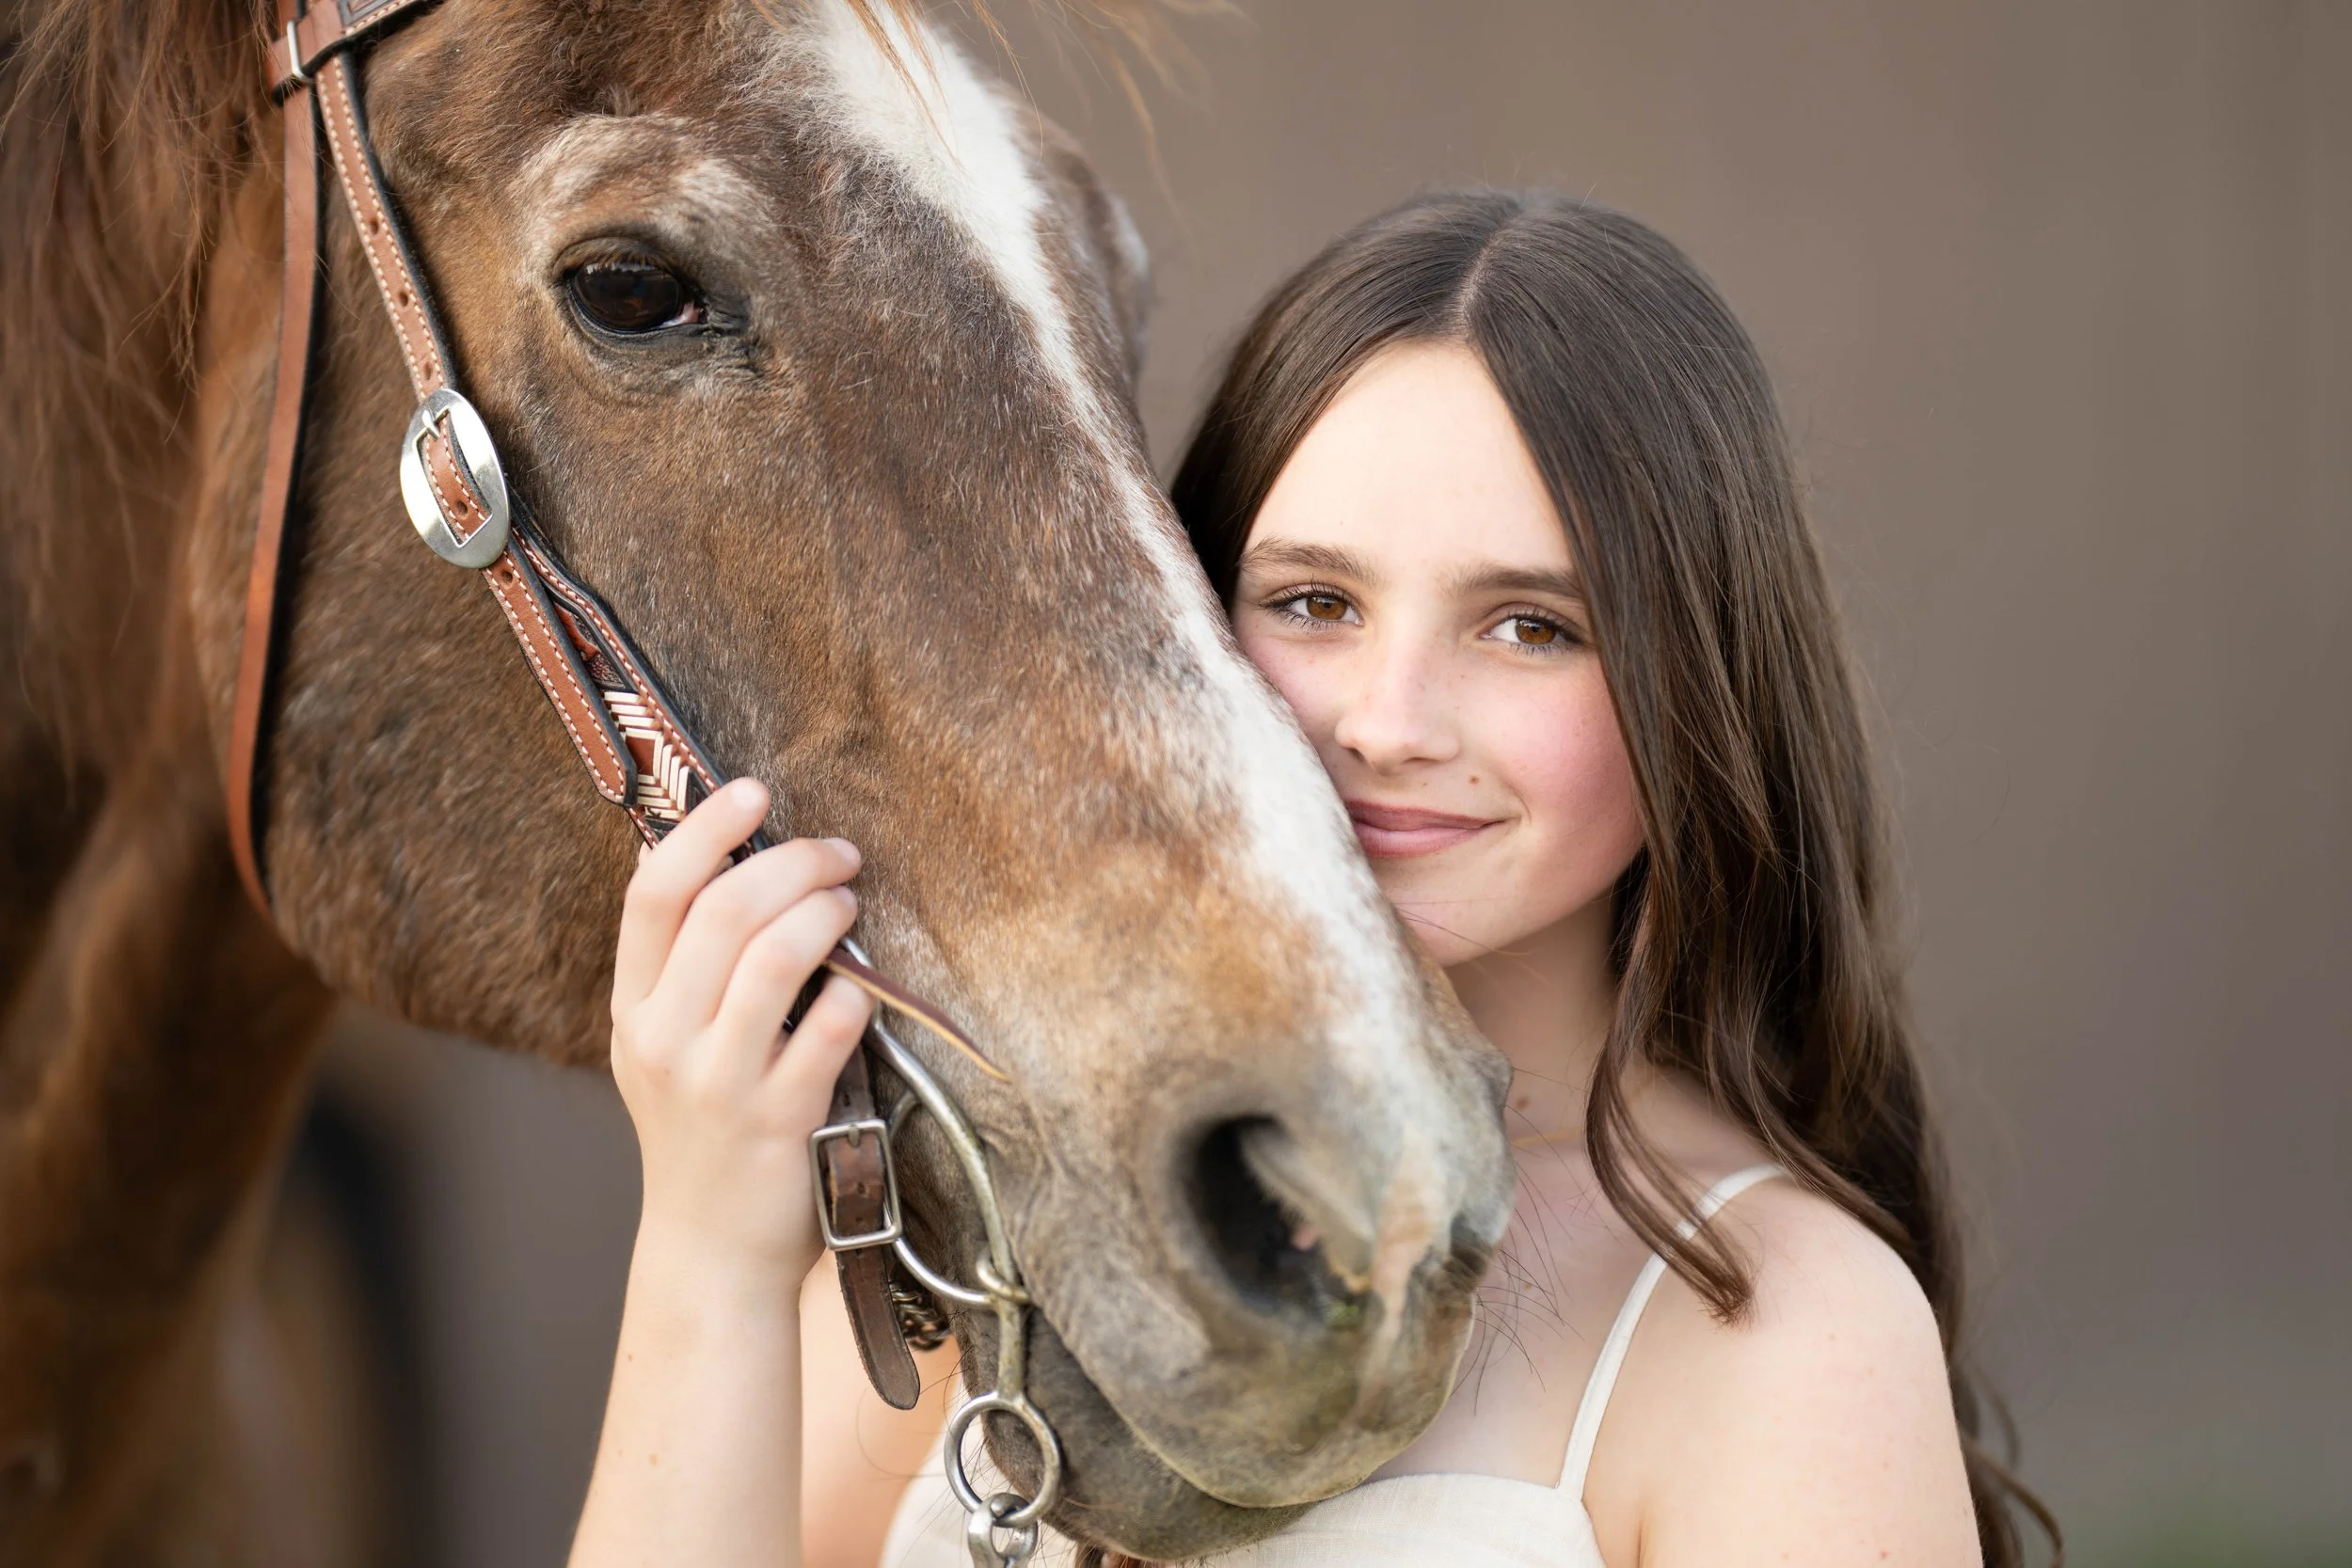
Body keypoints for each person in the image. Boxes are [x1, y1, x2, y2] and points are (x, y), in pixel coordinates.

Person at [566, 189, 2054, 1568]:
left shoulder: (1783, 1322)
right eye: (1314, 602)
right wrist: (708, 1238)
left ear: (1697, 688)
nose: (1388, 723)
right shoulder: (1005, 1214)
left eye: (1531, 626)